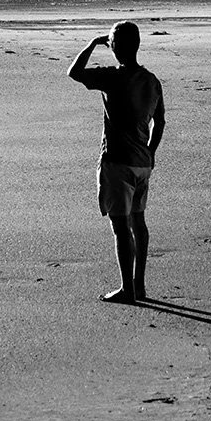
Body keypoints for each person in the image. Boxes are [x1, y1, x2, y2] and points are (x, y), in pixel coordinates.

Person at [67, 21, 165, 303]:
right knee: (139, 222)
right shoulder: (151, 80)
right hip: (142, 163)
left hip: (118, 162)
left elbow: (74, 72)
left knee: (121, 227)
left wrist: (92, 43)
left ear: (115, 47)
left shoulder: (112, 76)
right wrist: (152, 150)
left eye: (111, 42)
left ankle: (127, 289)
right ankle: (139, 284)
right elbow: (160, 121)